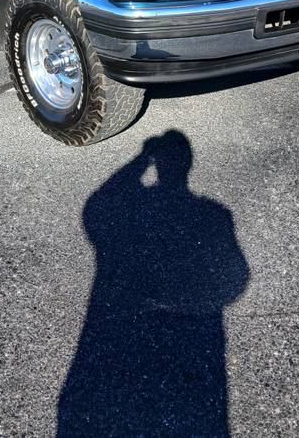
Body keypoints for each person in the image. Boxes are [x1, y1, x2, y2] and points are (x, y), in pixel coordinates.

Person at [57, 130, 250, 436]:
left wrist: (142, 158)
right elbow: (237, 277)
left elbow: (98, 205)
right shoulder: (214, 214)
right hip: (195, 338)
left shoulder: (198, 213)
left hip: (117, 325)